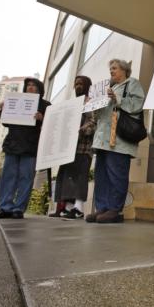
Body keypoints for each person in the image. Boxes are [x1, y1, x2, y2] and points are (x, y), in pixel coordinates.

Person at [85, 59, 145, 223]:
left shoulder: (132, 83)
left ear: (124, 70)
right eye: (110, 68)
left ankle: (115, 210)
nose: (111, 71)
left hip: (119, 141)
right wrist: (93, 106)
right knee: (102, 175)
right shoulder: (107, 88)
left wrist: (116, 97)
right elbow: (99, 117)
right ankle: (102, 208)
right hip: (102, 140)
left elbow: (137, 105)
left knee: (116, 175)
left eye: (115, 68)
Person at [0, 78, 51, 219]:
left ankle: (18, 209)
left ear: (39, 89)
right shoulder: (15, 100)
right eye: (28, 85)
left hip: (31, 146)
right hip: (12, 144)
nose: (30, 87)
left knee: (26, 178)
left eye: (33, 85)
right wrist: (2, 110)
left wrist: (43, 118)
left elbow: (53, 124)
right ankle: (5, 208)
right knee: (8, 177)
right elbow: (6, 123)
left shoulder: (45, 105)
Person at [49, 76, 96, 219]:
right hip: (67, 149)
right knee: (66, 178)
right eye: (76, 84)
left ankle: (79, 208)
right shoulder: (70, 104)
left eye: (81, 84)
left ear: (87, 86)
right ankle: (68, 208)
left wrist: (82, 129)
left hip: (83, 148)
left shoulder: (91, 103)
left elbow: (94, 122)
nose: (77, 86)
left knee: (79, 178)